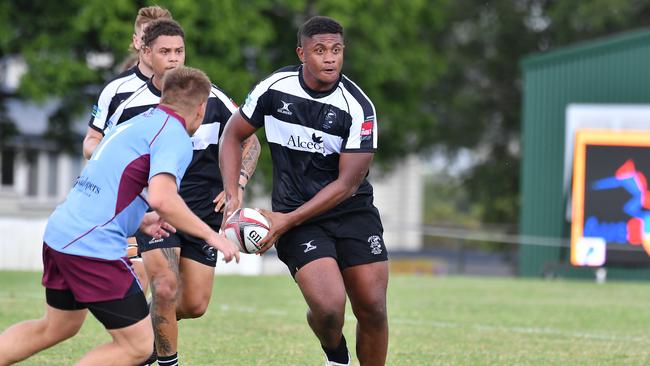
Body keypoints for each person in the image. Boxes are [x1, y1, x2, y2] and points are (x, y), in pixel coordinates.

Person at [0, 66, 240, 366]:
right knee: (138, 346)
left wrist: (140, 219)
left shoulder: (135, 123)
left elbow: (108, 182)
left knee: (56, 326)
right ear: (201, 108)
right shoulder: (174, 135)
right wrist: (211, 235)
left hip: (62, 232)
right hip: (92, 248)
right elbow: (162, 198)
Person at [219, 15, 389, 366]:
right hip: (298, 219)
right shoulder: (274, 88)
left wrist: (284, 221)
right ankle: (336, 357)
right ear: (302, 53)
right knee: (328, 309)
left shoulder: (358, 108)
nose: (330, 58)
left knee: (372, 307)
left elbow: (347, 184)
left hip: (350, 211)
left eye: (337, 50)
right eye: (320, 50)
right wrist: (234, 190)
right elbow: (232, 135)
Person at [103, 19, 260, 366]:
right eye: (164, 52)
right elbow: (109, 157)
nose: (173, 59)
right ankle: (161, 360)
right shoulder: (130, 103)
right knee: (164, 287)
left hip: (204, 211)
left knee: (193, 305)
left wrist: (238, 185)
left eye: (179, 51)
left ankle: (142, 335)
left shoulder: (211, 98)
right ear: (146, 53)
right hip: (157, 214)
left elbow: (250, 140)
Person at [83, 6, 173, 294]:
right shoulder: (117, 89)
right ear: (137, 43)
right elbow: (91, 142)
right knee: (139, 275)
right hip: (128, 199)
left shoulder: (188, 90)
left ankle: (138, 336)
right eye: (148, 37)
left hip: (171, 201)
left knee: (179, 295)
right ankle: (132, 338)